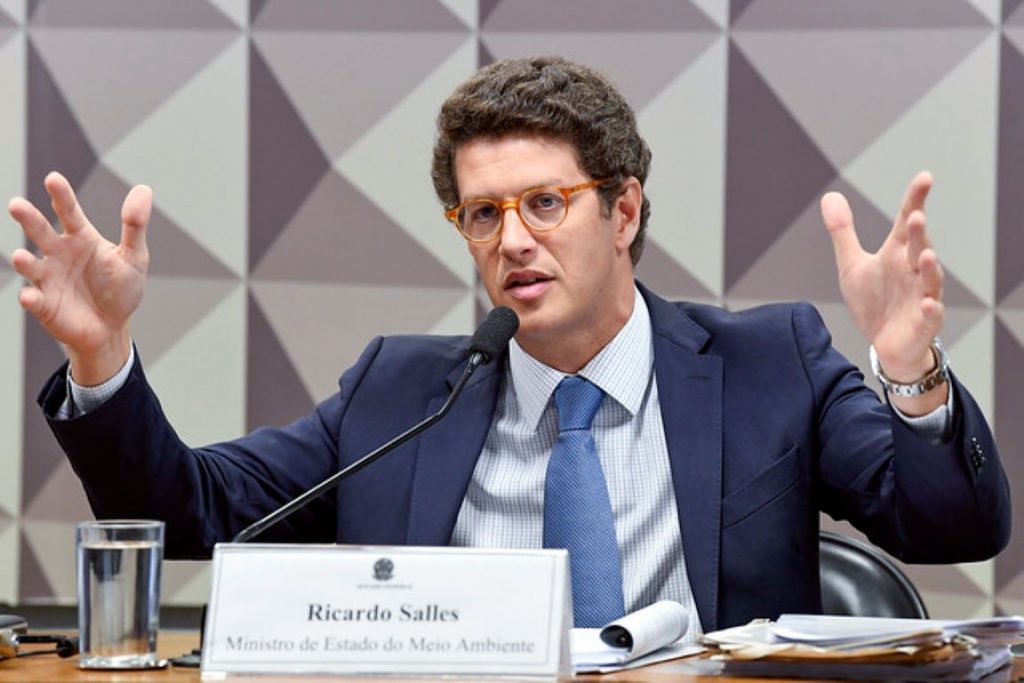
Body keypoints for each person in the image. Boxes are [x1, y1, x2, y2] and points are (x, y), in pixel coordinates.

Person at [6, 56, 1010, 635]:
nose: (512, 239)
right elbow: (186, 512)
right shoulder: (402, 390)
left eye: (544, 203)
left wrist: (908, 369)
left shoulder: (767, 364)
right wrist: (102, 356)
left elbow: (952, 526)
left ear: (623, 210)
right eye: (482, 213)